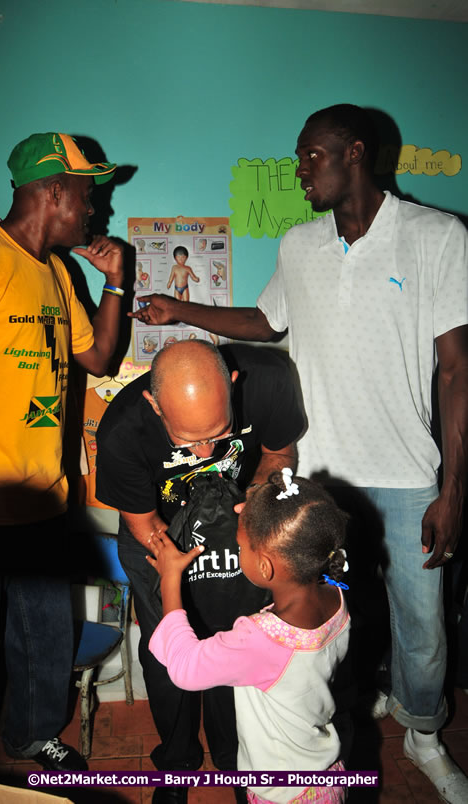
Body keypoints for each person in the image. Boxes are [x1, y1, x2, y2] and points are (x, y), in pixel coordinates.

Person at [130, 104, 468, 803]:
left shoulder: (437, 237)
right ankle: (364, 703)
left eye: (311, 155)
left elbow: (457, 370)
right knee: (331, 612)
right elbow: (263, 320)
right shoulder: (298, 243)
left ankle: (424, 732)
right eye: (298, 157)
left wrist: (453, 489)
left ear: (356, 151)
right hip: (316, 477)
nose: (300, 169)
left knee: (423, 625)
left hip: (407, 474)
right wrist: (181, 309)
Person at [0, 132, 124, 774]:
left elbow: (96, 357)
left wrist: (117, 284)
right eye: (87, 196)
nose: (95, 210)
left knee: (47, 642)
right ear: (51, 191)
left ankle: (30, 737)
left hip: (45, 501)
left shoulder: (55, 271)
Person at [95, 339, 304, 803]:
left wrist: (252, 514)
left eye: (219, 430)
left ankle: (236, 763)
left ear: (232, 385)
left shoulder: (267, 378)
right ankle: (177, 764)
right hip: (160, 536)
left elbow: (279, 454)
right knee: (169, 654)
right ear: (154, 405)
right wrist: (177, 585)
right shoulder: (121, 432)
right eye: (189, 440)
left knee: (241, 642)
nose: (208, 449)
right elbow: (144, 525)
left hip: (241, 526)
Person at [147, 468, 350, 804]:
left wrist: (171, 578)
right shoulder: (335, 596)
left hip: (282, 793)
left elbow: (184, 667)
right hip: (324, 777)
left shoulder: (260, 639)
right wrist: (255, 510)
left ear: (266, 567)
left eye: (239, 545)